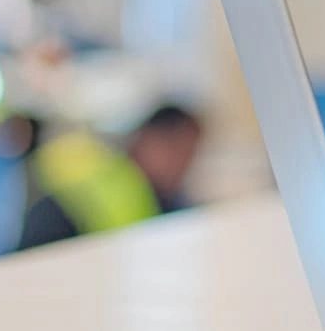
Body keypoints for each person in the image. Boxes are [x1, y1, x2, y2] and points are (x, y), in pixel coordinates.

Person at [18, 103, 204, 250]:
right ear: (149, 140)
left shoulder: (162, 196)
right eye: (180, 152)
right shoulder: (88, 185)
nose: (184, 166)